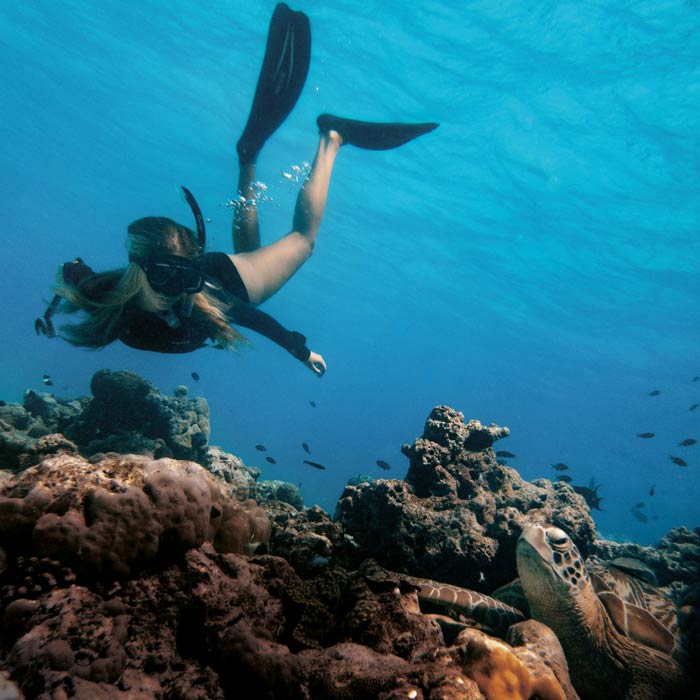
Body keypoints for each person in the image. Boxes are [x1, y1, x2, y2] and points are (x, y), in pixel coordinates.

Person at [36, 4, 438, 377]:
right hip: (219, 272)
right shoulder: (105, 292)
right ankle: (248, 158)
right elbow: (77, 273)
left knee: (304, 239)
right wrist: (69, 274)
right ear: (135, 268)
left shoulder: (204, 296)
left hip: (225, 279)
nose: (175, 290)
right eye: (162, 275)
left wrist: (301, 351)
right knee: (250, 254)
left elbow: (254, 319)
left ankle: (332, 138)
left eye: (181, 276)